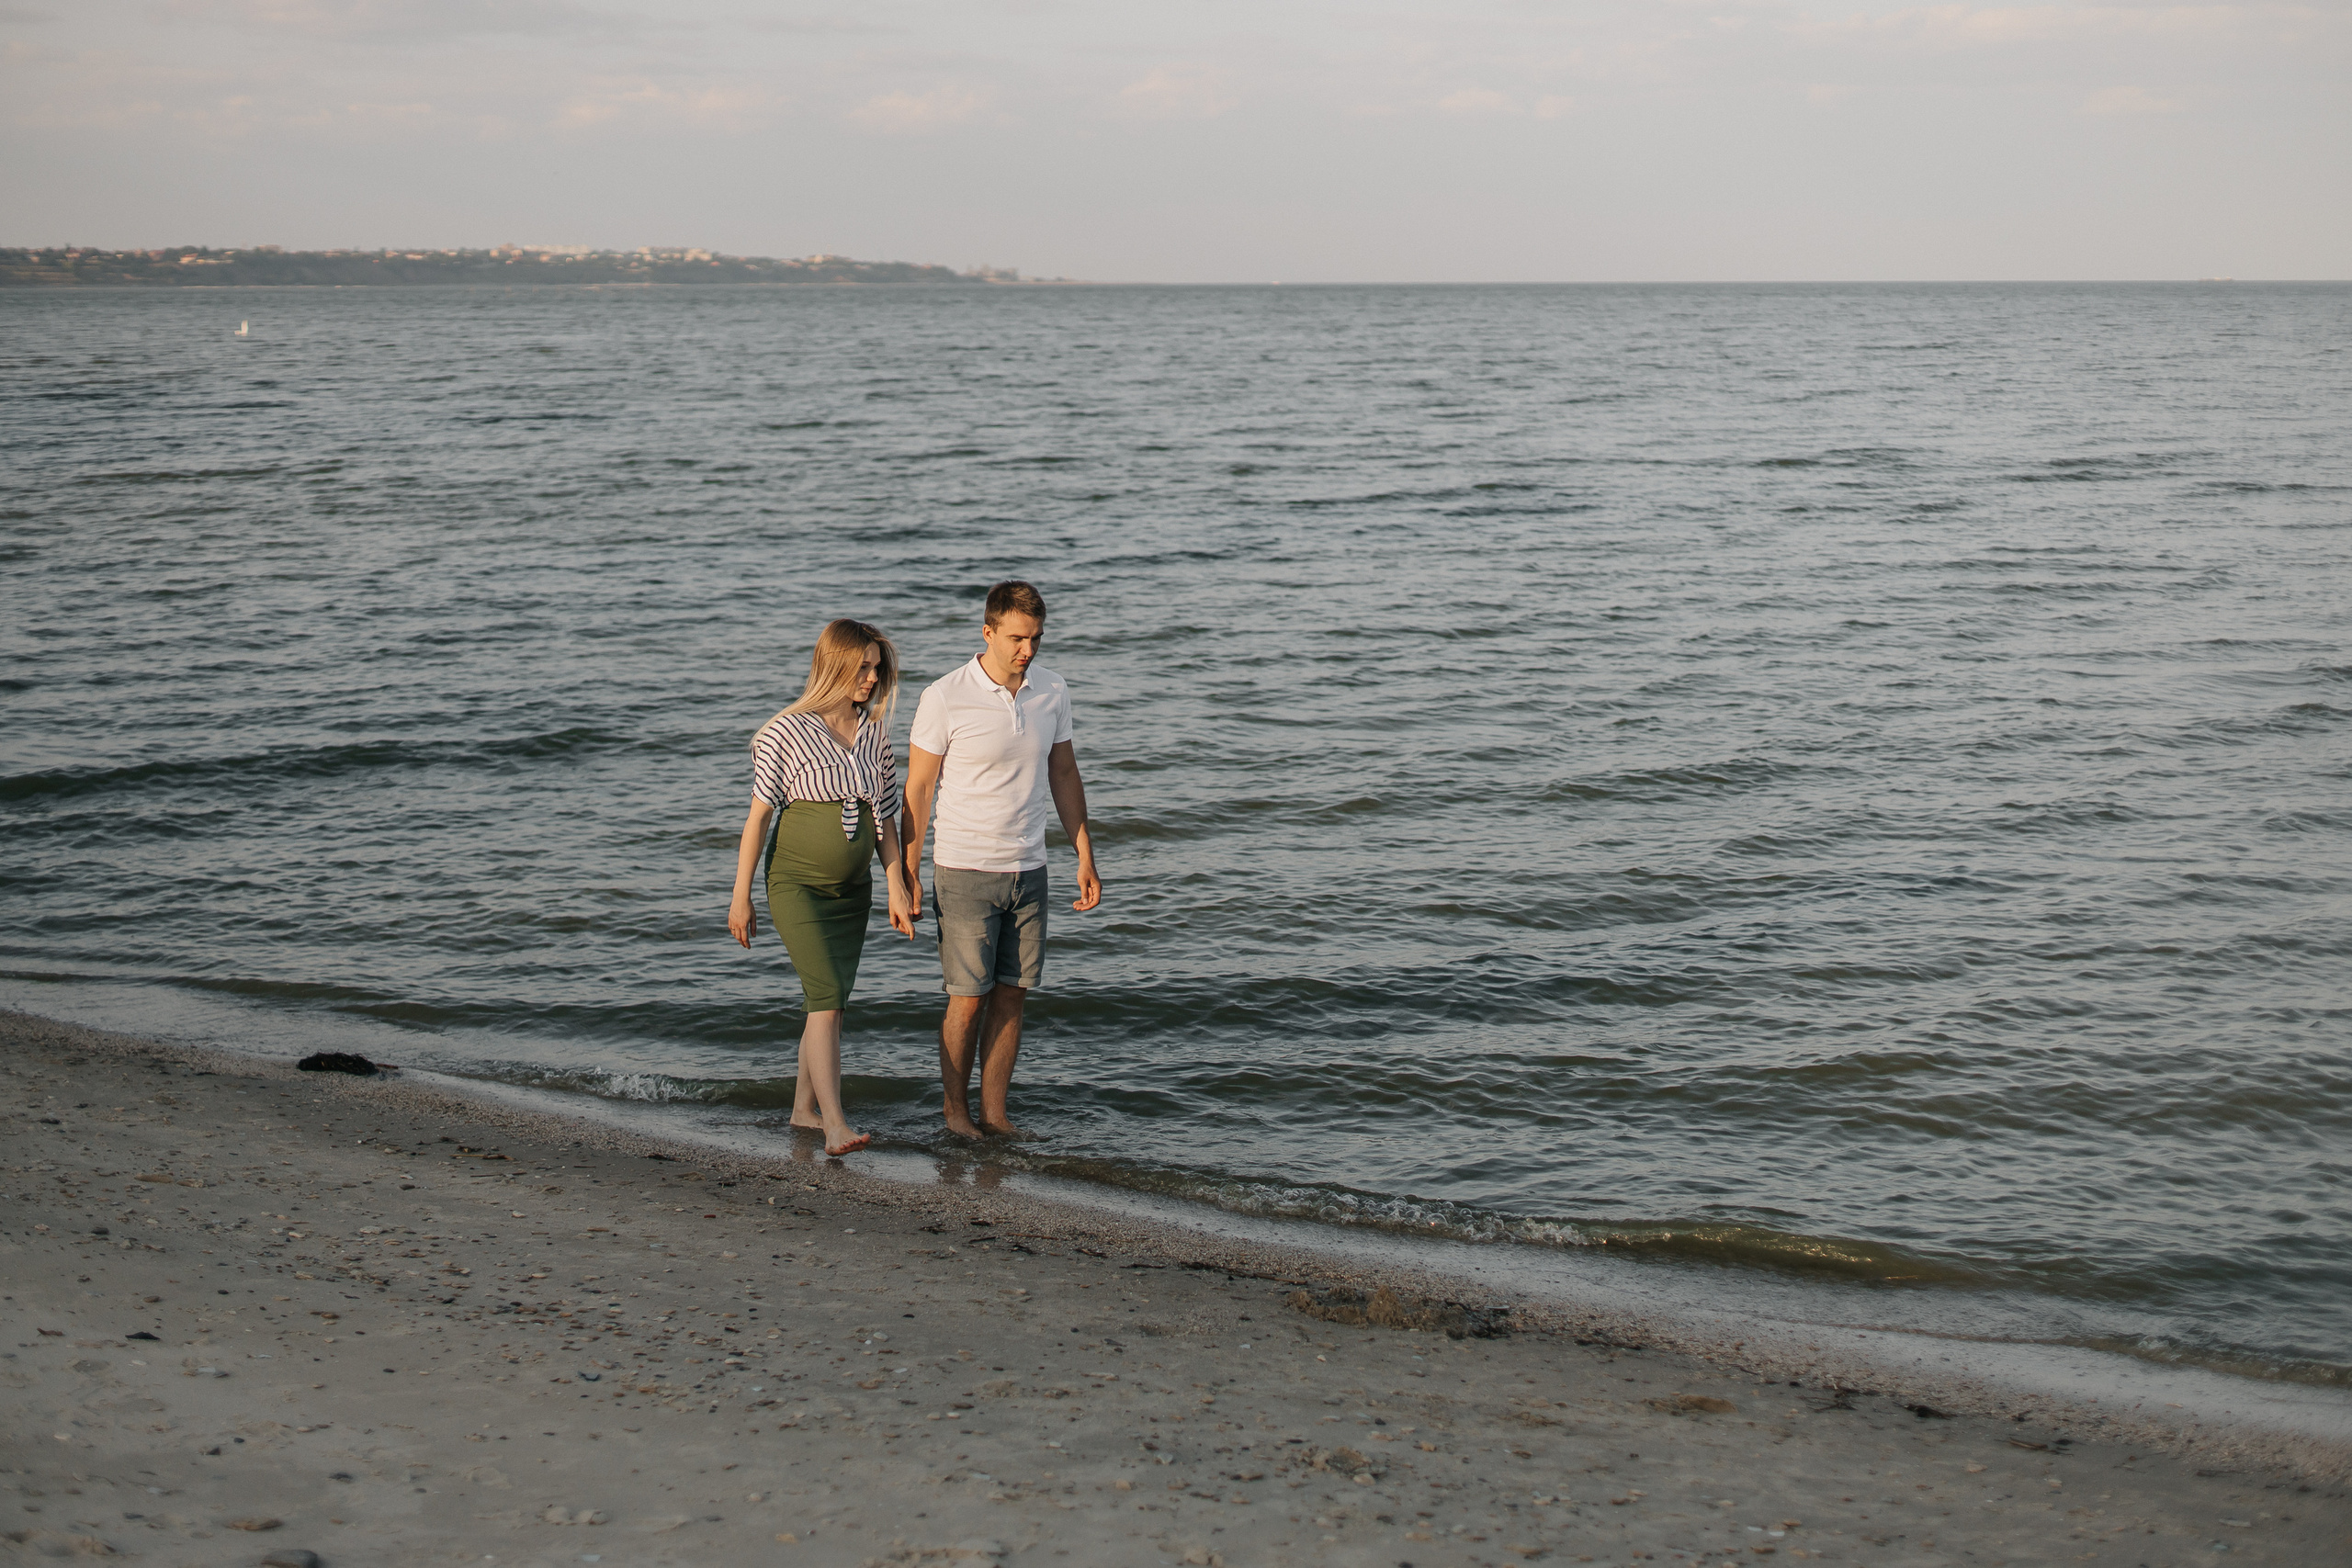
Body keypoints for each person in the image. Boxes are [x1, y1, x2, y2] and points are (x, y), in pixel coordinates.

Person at [900, 581, 1102, 1139]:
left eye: (1036, 638)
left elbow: (1064, 773)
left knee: (1013, 995)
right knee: (967, 1001)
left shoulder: (1052, 690)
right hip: (965, 870)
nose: (1027, 650)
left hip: (1030, 869)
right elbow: (919, 789)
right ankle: (955, 1115)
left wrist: (1084, 854)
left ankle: (995, 1115)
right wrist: (908, 873)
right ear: (987, 631)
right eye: (1017, 638)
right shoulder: (945, 696)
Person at [728, 619, 917, 1156]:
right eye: (862, 667)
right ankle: (834, 1124)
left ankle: (802, 1110)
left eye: (876, 668)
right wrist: (740, 896)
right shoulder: (785, 732)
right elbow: (757, 820)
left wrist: (897, 886)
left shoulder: (874, 733)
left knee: (827, 1000)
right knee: (828, 996)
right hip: (796, 884)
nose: (871, 678)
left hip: (853, 892)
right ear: (834, 665)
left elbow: (884, 820)